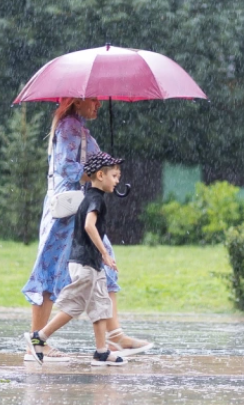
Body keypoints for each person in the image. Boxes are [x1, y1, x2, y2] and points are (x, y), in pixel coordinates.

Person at [21, 97, 153, 362]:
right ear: (76, 100)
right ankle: (37, 341)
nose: (98, 105)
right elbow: (67, 168)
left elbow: (91, 166)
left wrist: (110, 170)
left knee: (100, 268)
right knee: (53, 269)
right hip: (67, 214)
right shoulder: (68, 127)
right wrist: (97, 173)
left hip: (80, 210)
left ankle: (113, 334)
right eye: (93, 100)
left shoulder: (79, 129)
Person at [25, 152, 127, 366]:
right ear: (100, 175)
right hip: (84, 263)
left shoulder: (92, 196)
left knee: (100, 304)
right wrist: (105, 253)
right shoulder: (94, 199)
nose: (118, 181)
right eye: (115, 176)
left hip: (92, 262)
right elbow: (89, 226)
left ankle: (101, 351)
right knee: (75, 304)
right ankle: (39, 337)